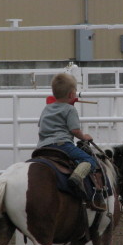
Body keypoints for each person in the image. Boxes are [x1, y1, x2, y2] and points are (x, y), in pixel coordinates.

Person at [37, 73, 106, 211]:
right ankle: (77, 177)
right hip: (62, 145)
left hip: (42, 146)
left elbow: (41, 126)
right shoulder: (70, 109)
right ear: (71, 95)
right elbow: (74, 130)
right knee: (89, 159)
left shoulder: (47, 108)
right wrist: (84, 137)